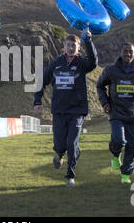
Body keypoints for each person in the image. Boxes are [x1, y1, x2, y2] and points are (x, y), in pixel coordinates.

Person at [34, 29, 98, 188]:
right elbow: (41, 81)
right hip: (59, 111)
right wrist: (37, 101)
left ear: (78, 48)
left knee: (72, 143)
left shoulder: (82, 64)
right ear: (64, 47)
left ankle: (70, 174)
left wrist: (88, 41)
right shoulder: (56, 64)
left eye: (74, 46)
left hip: (76, 111)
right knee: (61, 145)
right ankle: (58, 154)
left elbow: (93, 61)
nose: (70, 48)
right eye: (68, 45)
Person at [96, 42, 134, 184]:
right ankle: (116, 155)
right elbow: (99, 86)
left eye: (131, 51)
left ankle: (126, 176)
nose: (128, 54)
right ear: (120, 52)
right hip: (116, 112)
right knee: (119, 141)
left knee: (132, 146)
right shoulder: (111, 70)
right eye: (125, 51)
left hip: (133, 115)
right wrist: (105, 103)